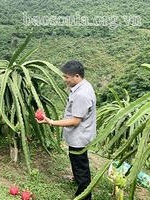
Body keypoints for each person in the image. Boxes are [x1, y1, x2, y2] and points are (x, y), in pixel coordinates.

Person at [36, 60, 96, 200]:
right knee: (77, 161)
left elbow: (75, 121)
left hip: (79, 137)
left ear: (76, 76)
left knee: (81, 166)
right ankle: (76, 178)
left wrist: (50, 122)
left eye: (66, 77)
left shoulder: (82, 94)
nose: (65, 80)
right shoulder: (84, 86)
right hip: (80, 134)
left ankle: (84, 196)